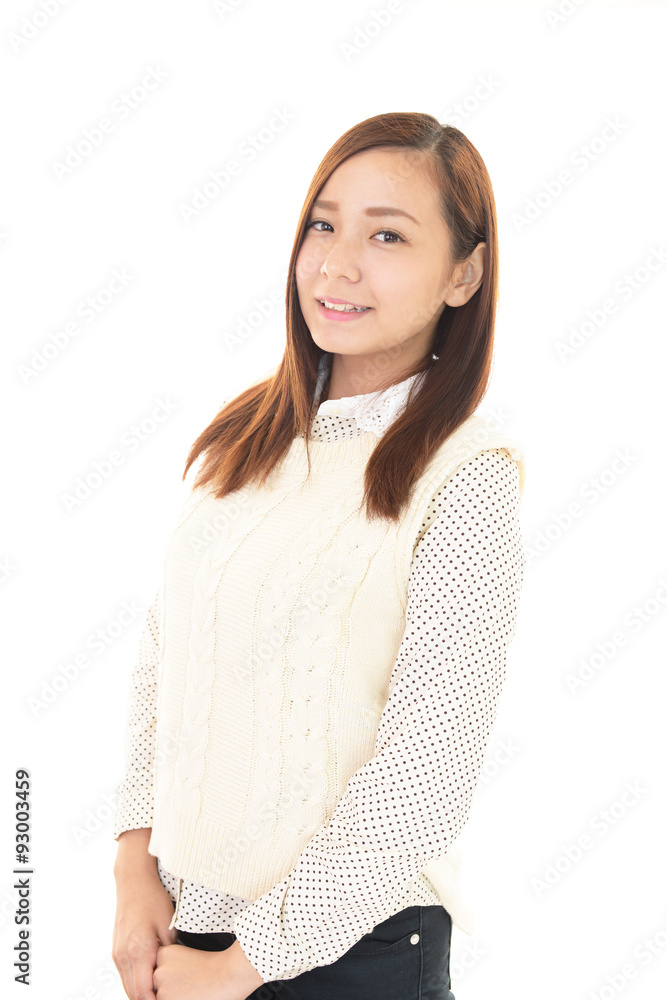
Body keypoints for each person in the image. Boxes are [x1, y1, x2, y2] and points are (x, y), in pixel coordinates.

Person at [111, 111, 527, 1000]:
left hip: (357, 955)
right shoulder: (246, 438)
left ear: (464, 273)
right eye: (322, 225)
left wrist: (246, 966)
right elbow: (162, 661)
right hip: (188, 935)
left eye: (387, 235)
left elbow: (425, 773)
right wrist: (132, 867)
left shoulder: (466, 475)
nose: (337, 264)